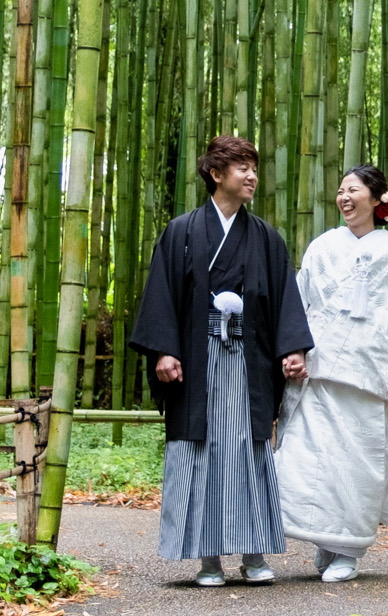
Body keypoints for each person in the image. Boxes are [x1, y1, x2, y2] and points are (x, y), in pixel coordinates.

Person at [129, 134, 312, 586]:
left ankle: (253, 556)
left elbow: (284, 299)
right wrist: (164, 350)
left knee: (250, 451)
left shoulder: (266, 237)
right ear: (215, 174)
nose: (252, 175)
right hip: (197, 358)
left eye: (254, 167)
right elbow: (163, 295)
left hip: (248, 362)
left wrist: (291, 348)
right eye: (242, 168)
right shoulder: (182, 231)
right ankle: (208, 558)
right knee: (202, 450)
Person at [276, 164, 388, 582]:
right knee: (313, 460)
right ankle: (327, 538)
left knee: (358, 461)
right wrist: (293, 349)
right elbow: (300, 300)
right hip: (321, 368)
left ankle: (349, 549)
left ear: (378, 199)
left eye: (353, 190)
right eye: (341, 190)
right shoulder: (323, 246)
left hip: (369, 373)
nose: (344, 197)